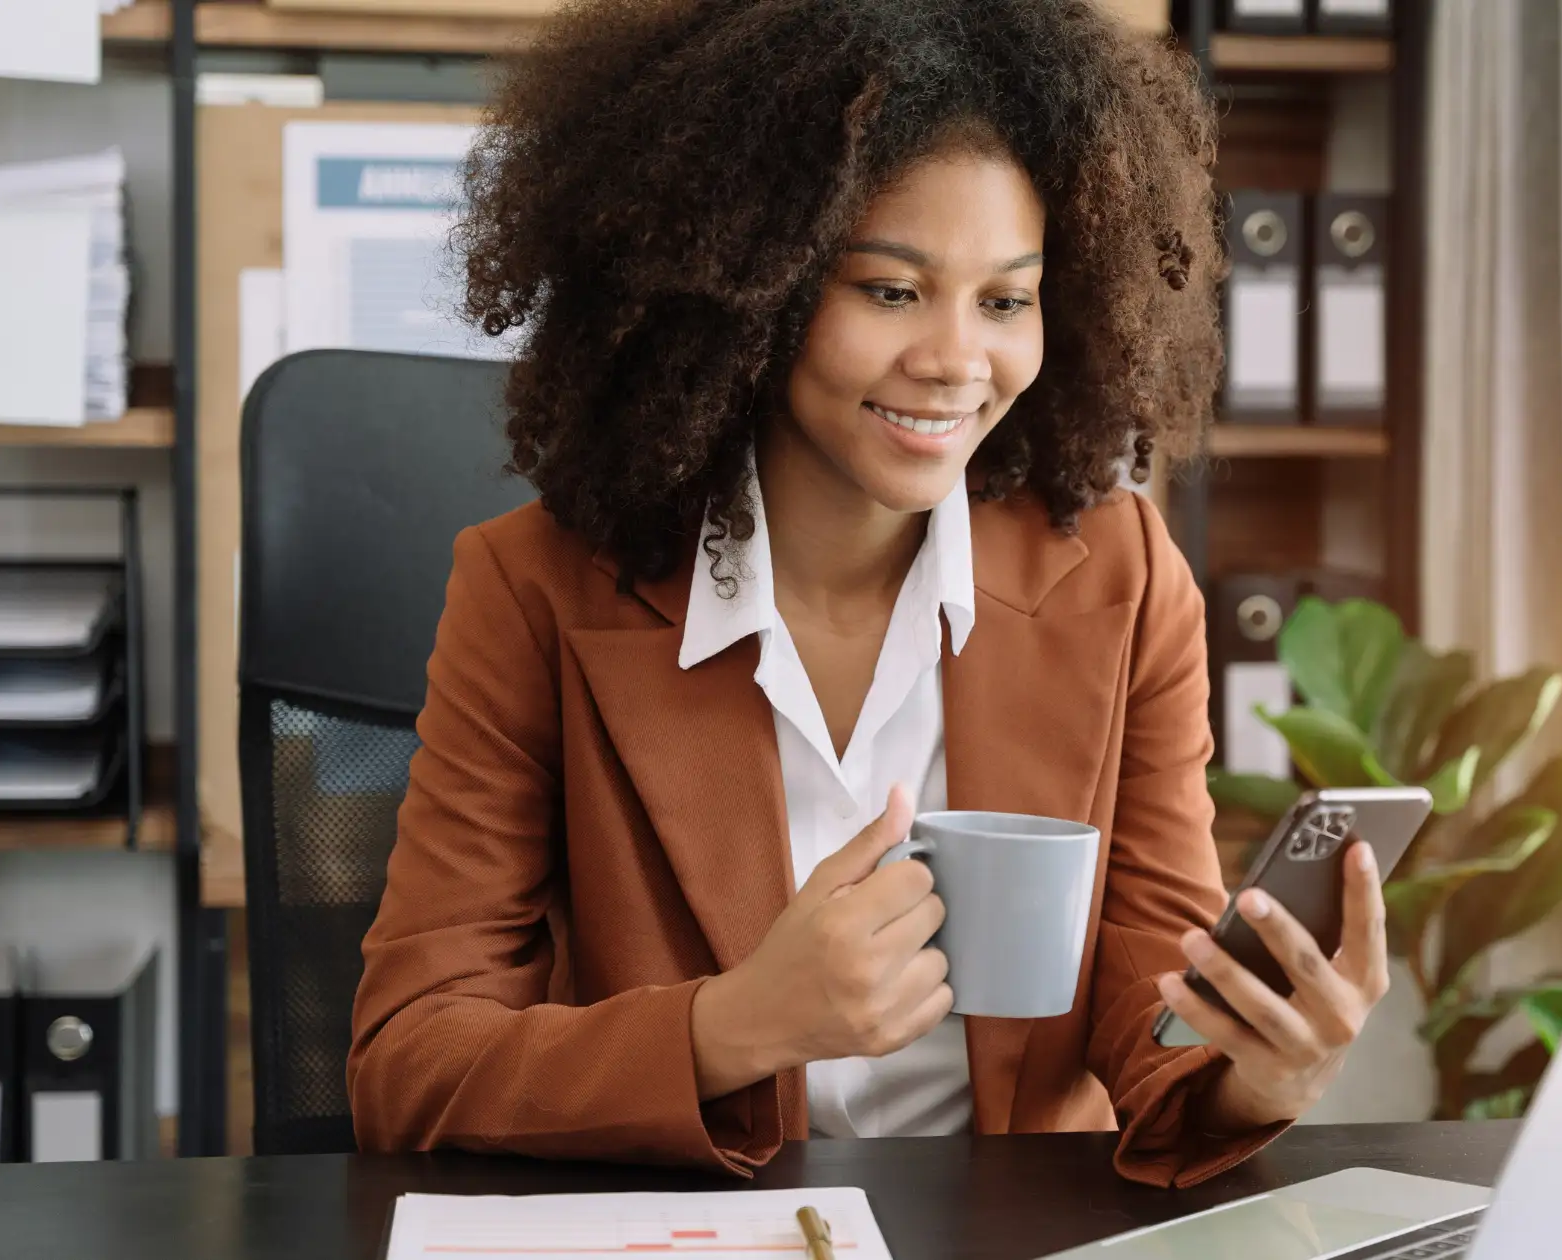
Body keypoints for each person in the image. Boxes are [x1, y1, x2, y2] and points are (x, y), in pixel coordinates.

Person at [346, 0, 1389, 1188]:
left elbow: (1149, 1009)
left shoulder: (1121, 578)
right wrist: (737, 1024)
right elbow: (408, 1063)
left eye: (1004, 301)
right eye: (890, 291)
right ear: (751, 285)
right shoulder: (534, 590)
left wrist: (1257, 1070)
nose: (955, 361)